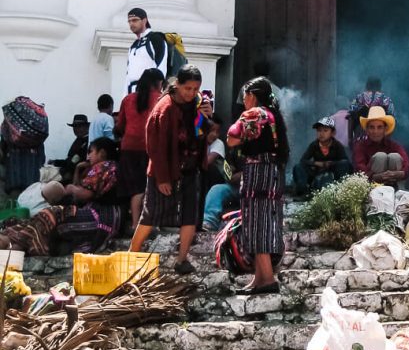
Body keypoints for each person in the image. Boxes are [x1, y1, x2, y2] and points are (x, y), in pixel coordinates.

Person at [129, 65, 210, 274]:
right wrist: (162, 177)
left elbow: (202, 132)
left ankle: (182, 259)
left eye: (195, 89)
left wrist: (205, 117)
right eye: (188, 88)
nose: (192, 93)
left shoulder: (198, 103)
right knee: (151, 215)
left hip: (190, 169)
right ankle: (131, 255)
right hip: (164, 171)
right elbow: (154, 146)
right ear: (177, 85)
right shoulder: (164, 108)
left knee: (189, 216)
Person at [0, 137, 120, 255]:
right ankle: (13, 244)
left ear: (102, 153)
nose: (88, 156)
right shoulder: (100, 167)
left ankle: (10, 241)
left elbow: (85, 194)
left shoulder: (104, 166)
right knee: (44, 217)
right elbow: (78, 188)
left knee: (50, 214)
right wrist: (78, 169)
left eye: (91, 152)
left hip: (99, 215)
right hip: (97, 213)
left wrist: (72, 189)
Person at [226, 77, 289, 293]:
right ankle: (260, 278)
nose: (244, 101)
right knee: (259, 224)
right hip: (270, 173)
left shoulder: (255, 114)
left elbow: (232, 137)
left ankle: (268, 279)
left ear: (252, 95)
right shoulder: (273, 115)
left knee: (258, 224)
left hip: (258, 175)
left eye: (245, 96)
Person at [114, 68, 164, 231]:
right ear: (158, 83)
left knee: (136, 189)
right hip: (152, 148)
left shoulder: (128, 100)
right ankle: (151, 223)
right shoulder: (161, 99)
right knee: (151, 186)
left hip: (129, 149)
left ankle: (136, 224)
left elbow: (120, 126)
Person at [292, 116, 352, 196]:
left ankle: (340, 190)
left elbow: (345, 162)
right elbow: (303, 160)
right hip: (317, 172)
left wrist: (331, 164)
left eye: (325, 130)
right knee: (298, 167)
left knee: (344, 164)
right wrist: (317, 163)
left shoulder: (337, 145)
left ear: (333, 133)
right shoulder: (314, 145)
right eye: (319, 130)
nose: (321, 134)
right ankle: (304, 191)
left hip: (333, 172)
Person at [352, 106, 409, 187]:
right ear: (367, 130)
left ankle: (397, 191)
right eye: (372, 127)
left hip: (393, 183)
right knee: (380, 156)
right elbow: (360, 168)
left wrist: (398, 174)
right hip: (371, 186)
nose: (375, 131)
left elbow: (406, 163)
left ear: (385, 129)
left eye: (379, 127)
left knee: (395, 156)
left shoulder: (393, 145)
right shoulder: (360, 146)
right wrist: (375, 177)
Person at [125, 7, 168, 94]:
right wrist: (125, 98)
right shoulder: (133, 46)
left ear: (144, 21)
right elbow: (128, 76)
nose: (131, 24)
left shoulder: (156, 38)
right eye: (129, 21)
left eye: (135, 20)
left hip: (149, 92)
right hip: (132, 93)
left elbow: (161, 67)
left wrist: (156, 93)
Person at [348, 77, 396, 144]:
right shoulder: (386, 100)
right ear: (380, 86)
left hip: (361, 136)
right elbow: (392, 119)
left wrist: (350, 138)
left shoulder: (358, 98)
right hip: (380, 137)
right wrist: (388, 140)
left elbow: (350, 118)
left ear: (366, 86)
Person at [49, 113, 91, 184]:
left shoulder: (88, 142)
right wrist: (55, 162)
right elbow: (70, 160)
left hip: (77, 178)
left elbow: (76, 162)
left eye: (79, 126)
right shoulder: (78, 140)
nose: (76, 129)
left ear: (86, 127)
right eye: (74, 127)